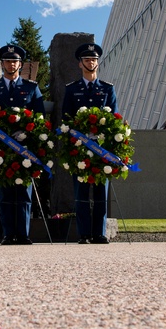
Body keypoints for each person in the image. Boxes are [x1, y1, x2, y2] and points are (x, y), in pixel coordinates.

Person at [0, 44, 46, 245]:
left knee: (24, 194)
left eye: (15, 61)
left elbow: (39, 119)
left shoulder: (31, 88)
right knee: (6, 193)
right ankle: (8, 233)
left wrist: (27, 135)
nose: (11, 64)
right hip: (2, 150)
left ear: (20, 64)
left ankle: (23, 234)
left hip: (24, 148)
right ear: (2, 64)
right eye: (8, 61)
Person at [61, 42, 118, 244]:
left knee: (101, 192)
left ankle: (99, 232)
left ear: (98, 63)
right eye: (87, 60)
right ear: (80, 64)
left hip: (101, 149)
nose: (91, 62)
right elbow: (66, 120)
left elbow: (115, 120)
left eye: (93, 59)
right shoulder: (72, 90)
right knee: (82, 192)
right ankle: (84, 233)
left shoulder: (107, 89)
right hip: (80, 149)